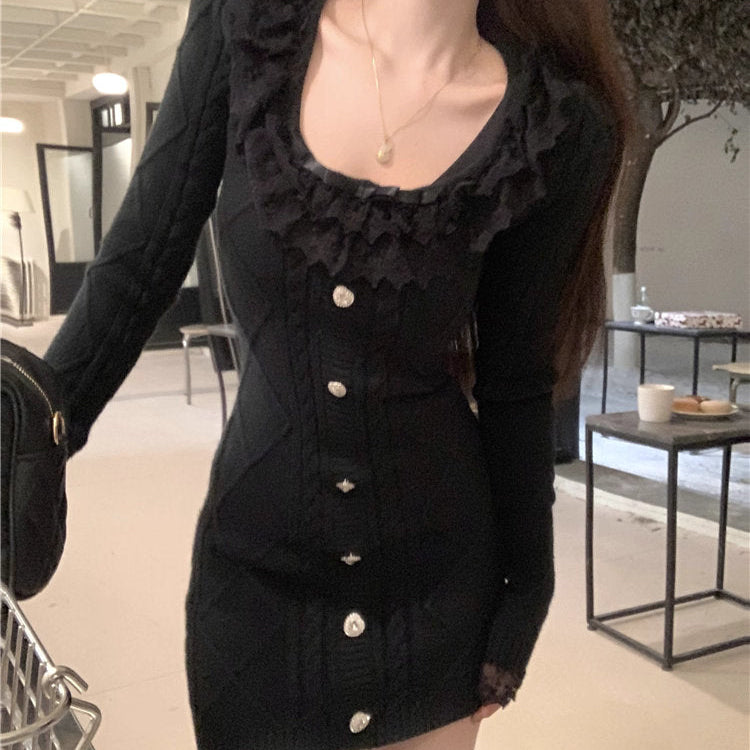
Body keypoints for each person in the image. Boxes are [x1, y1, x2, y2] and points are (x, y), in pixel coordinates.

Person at [45, 0, 630, 748]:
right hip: (253, 583)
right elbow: (140, 263)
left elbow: (515, 382)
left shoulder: (556, 126)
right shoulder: (246, 28)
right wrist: (30, 435)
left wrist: (528, 589)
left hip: (439, 587)